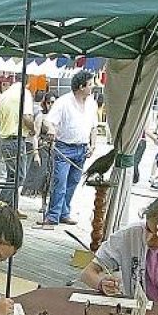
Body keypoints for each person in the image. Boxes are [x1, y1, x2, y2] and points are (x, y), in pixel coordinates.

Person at [81, 190, 158, 306]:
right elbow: (87, 273)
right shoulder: (130, 234)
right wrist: (101, 284)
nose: (149, 239)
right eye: (148, 229)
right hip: (132, 311)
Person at [41, 70, 100, 228]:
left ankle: (64, 213)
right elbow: (48, 121)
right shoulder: (64, 102)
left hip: (82, 148)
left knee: (73, 182)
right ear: (81, 86)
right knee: (60, 182)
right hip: (64, 147)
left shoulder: (92, 104)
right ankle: (53, 215)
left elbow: (94, 127)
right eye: (90, 84)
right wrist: (51, 130)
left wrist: (93, 144)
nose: (93, 86)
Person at [0, 81, 35, 213]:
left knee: (11, 175)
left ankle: (11, 209)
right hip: (15, 138)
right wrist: (33, 130)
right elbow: (27, 117)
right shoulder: (25, 93)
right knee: (18, 176)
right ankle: (0, 204)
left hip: (5, 138)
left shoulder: (5, 95)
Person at [21, 91, 57, 212]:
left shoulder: (60, 116)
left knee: (53, 178)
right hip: (44, 149)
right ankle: (44, 204)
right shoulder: (42, 116)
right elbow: (35, 136)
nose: (51, 105)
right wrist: (36, 153)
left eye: (53, 102)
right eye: (49, 102)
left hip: (56, 150)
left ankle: (51, 203)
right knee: (43, 177)